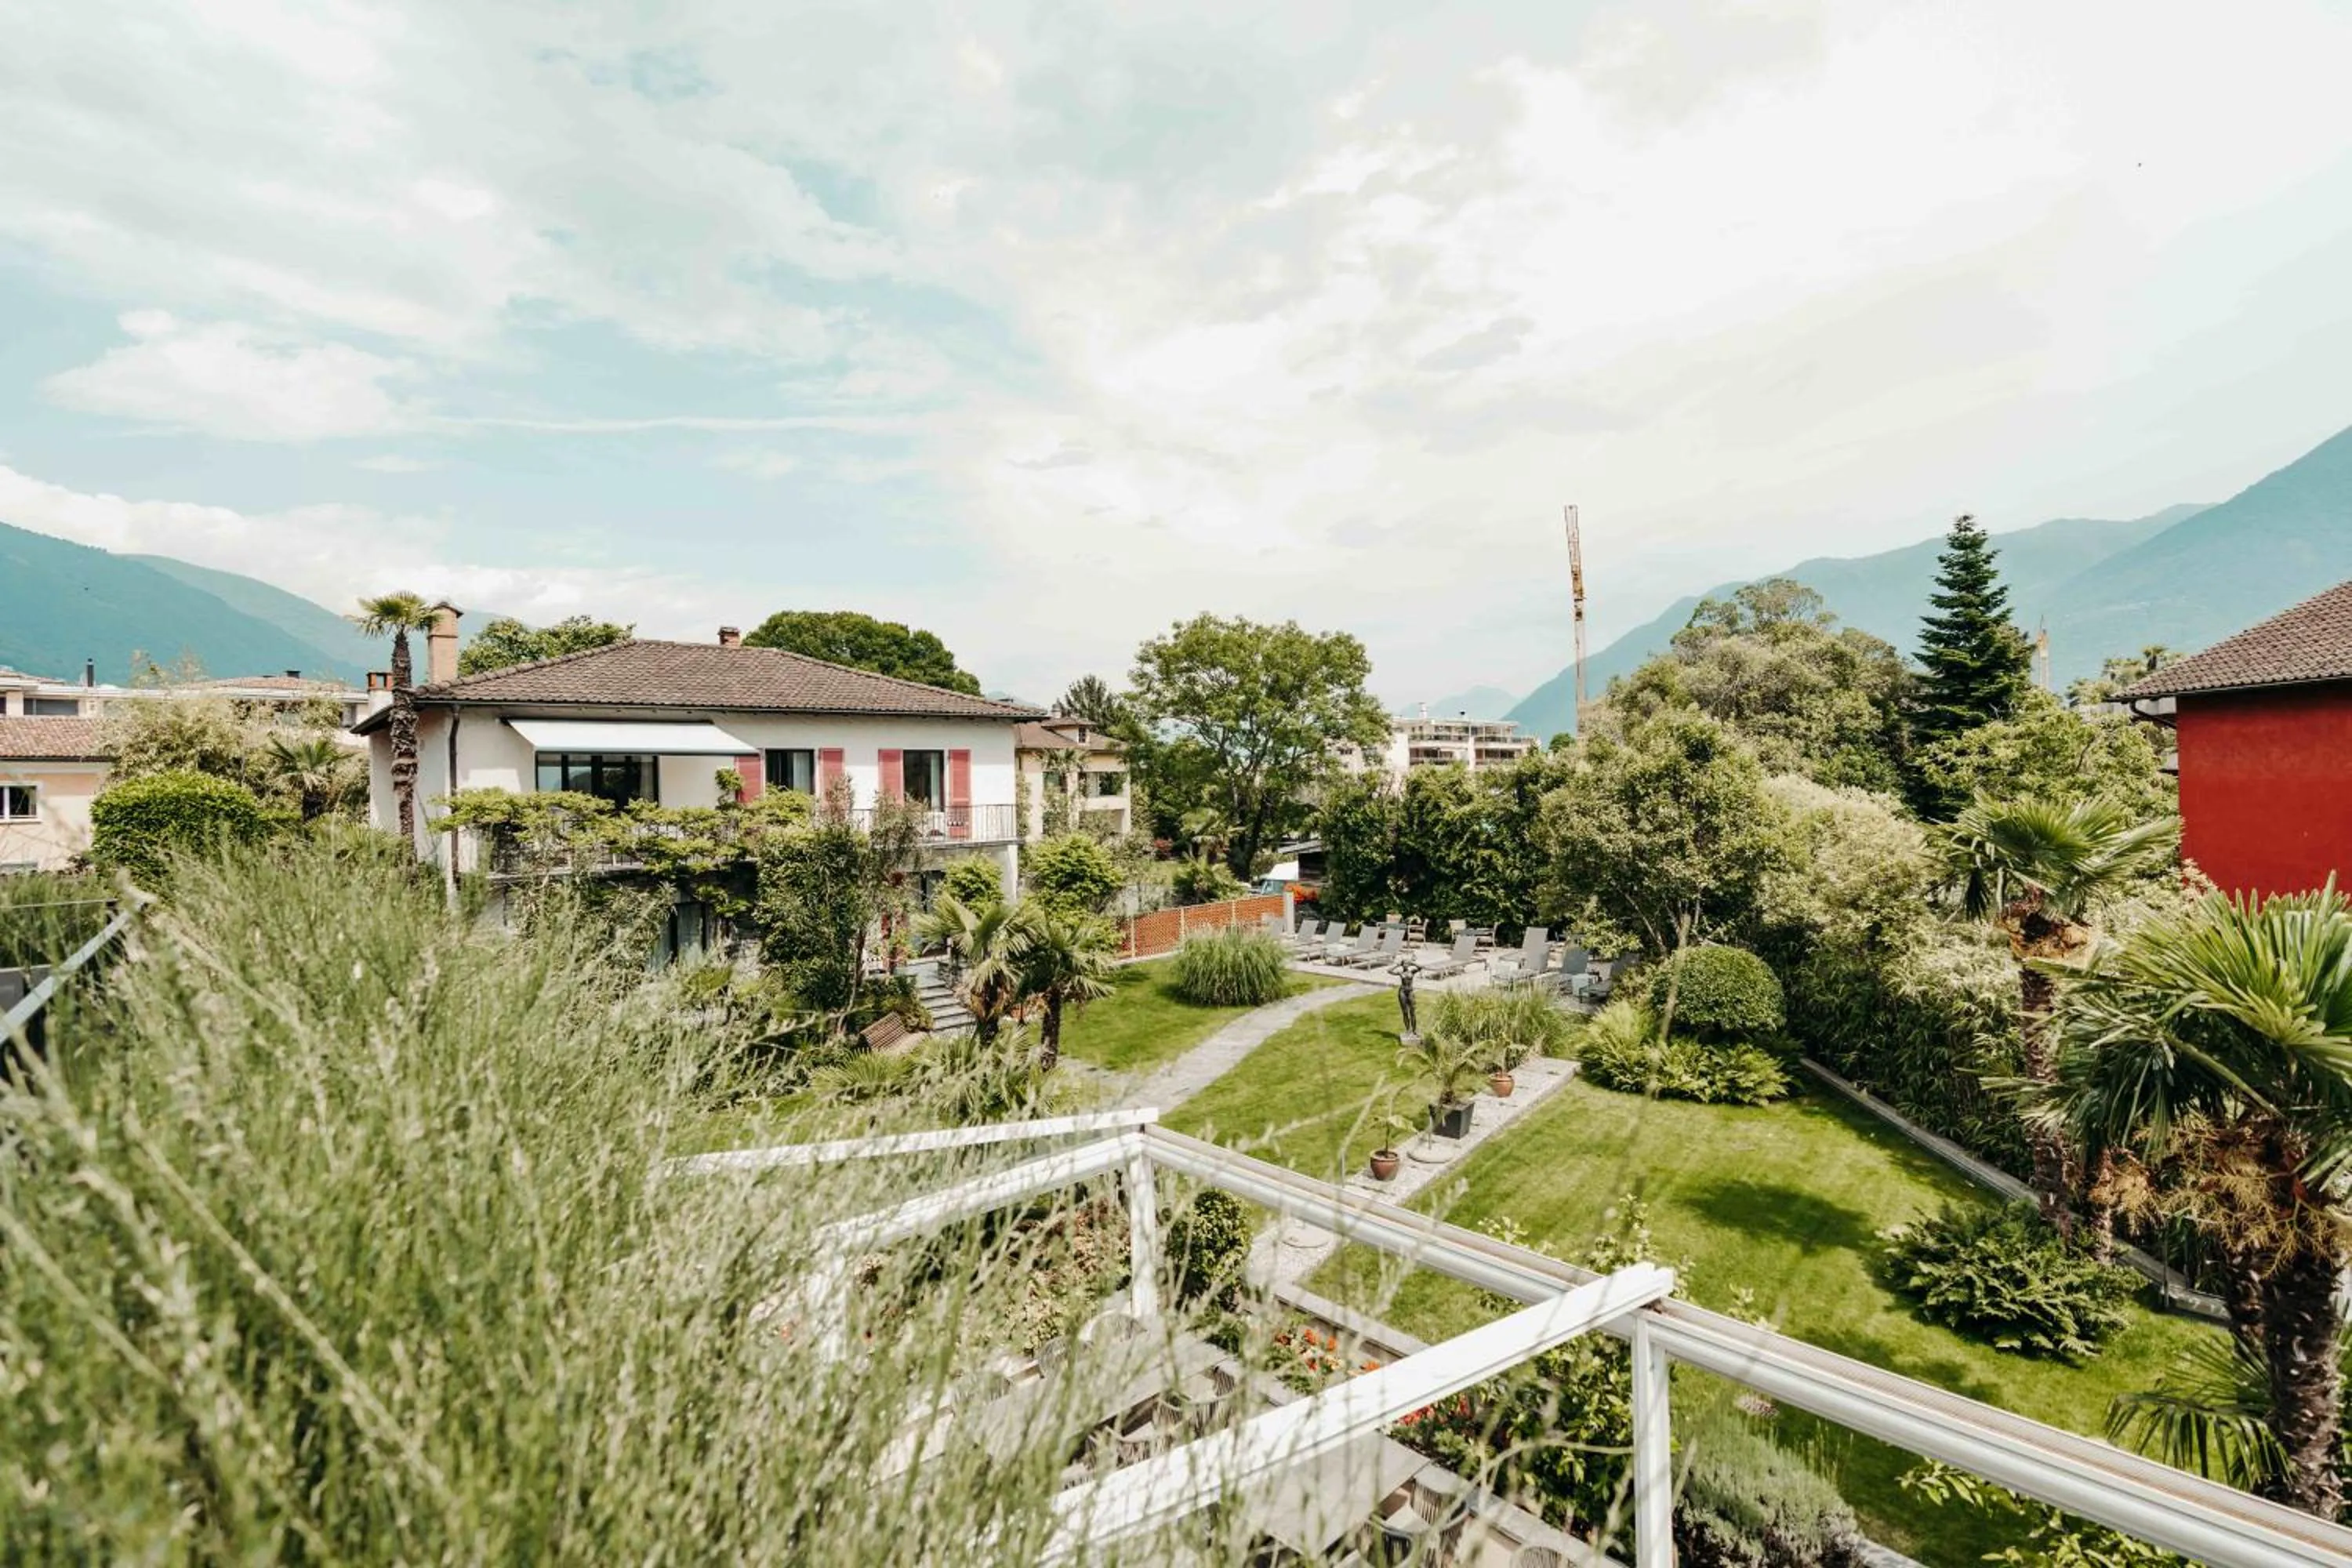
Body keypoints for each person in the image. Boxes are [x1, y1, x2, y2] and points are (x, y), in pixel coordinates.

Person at [1391, 949, 1423, 1039]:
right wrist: (1397, 965)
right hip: (1402, 992)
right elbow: (1389, 971)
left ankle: (1414, 1030)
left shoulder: (1412, 972)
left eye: (1407, 963)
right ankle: (1408, 1030)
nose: (1406, 965)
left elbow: (1421, 967)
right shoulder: (1401, 973)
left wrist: (1412, 963)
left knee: (1412, 1012)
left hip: (1410, 992)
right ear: (1402, 964)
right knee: (1405, 1012)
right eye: (1404, 963)